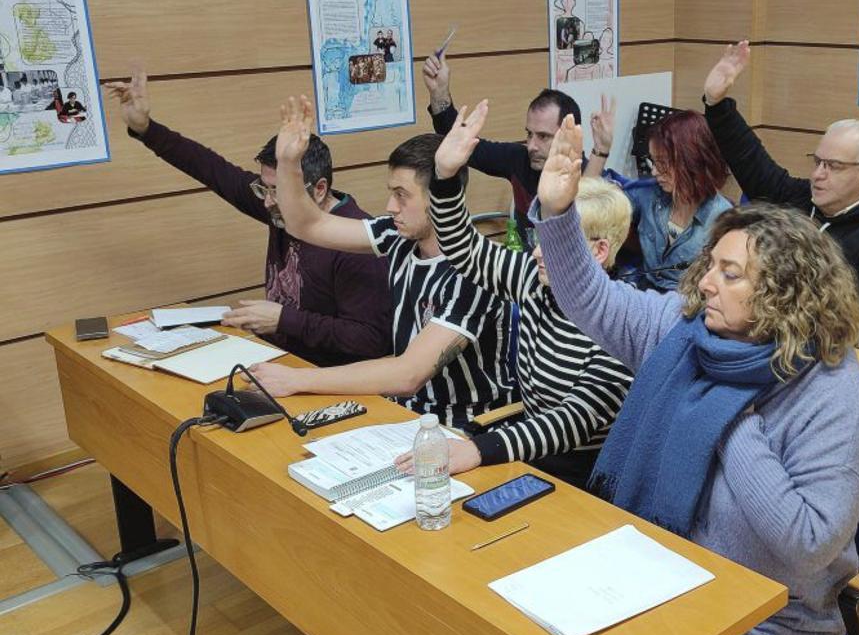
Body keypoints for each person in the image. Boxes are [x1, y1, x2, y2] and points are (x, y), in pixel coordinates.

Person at [531, 116, 859, 635]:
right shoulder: (690, 333)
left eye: (730, 272)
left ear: (785, 293)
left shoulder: (830, 387)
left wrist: (729, 417)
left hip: (773, 616)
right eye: (711, 264)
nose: (705, 282)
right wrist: (558, 214)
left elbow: (810, 541)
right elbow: (592, 299)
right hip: (664, 574)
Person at [390, 99, 633, 488]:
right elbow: (465, 249)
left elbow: (571, 422)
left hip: (586, 478)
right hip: (528, 458)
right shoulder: (534, 279)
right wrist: (445, 176)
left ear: (599, 251)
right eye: (539, 237)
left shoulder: (621, 321)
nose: (536, 252)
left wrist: (478, 449)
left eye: (555, 242)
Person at [249, 96, 514, 432]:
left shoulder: (476, 272)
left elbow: (408, 375)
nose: (390, 206)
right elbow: (307, 225)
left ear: (441, 197)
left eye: (401, 195)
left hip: (464, 429)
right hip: (402, 415)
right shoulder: (398, 236)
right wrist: (289, 165)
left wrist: (296, 379)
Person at [106, 69, 390, 368]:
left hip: (326, 376)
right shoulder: (280, 207)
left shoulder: (358, 244)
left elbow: (371, 340)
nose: (267, 201)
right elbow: (211, 168)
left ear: (319, 189)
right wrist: (146, 129)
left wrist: (284, 320)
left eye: (278, 190)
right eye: (264, 188)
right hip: (276, 361)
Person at [702, 41, 859, 353]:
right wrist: (716, 104)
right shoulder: (803, 199)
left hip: (825, 358)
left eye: (834, 166)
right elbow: (754, 166)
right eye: (817, 162)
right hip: (766, 341)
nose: (818, 174)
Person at [420, 51, 589, 244]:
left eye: (543, 136)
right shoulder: (520, 159)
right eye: (529, 134)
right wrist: (439, 92)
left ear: (569, 136)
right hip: (525, 261)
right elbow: (460, 143)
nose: (531, 146)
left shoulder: (590, 178)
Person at [624, 109, 733, 291]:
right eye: (653, 161)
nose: (654, 171)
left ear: (691, 161)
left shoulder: (722, 219)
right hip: (644, 294)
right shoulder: (650, 194)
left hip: (685, 303)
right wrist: (601, 151)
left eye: (662, 163)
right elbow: (601, 208)